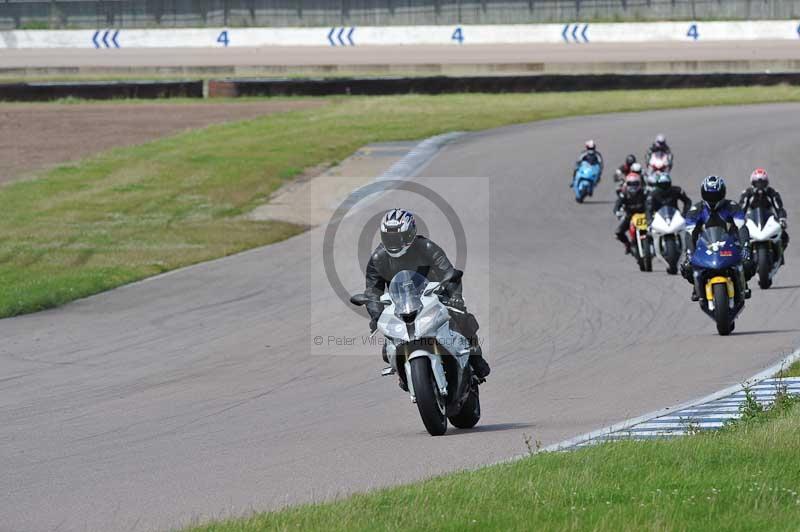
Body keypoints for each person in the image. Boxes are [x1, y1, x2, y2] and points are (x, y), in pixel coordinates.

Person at [364, 209, 490, 381]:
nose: (393, 243)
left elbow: (448, 271)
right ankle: (404, 374)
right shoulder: (378, 258)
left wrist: (455, 297)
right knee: (386, 350)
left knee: (462, 318)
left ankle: (475, 357)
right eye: (389, 238)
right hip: (401, 303)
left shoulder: (426, 247)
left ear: (410, 234)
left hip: (434, 294)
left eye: (398, 237)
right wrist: (376, 314)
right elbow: (372, 291)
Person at [680, 176, 753, 302]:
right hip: (705, 246)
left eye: (715, 195)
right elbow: (689, 234)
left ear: (722, 193)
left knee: (749, 262)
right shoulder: (696, 210)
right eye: (709, 195)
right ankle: (697, 287)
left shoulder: (732, 207)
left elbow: (742, 228)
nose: (712, 199)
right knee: (687, 268)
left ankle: (743, 283)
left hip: (731, 245)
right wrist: (689, 253)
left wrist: (745, 247)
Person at [739, 168, 789, 263]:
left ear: (766, 183)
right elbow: (741, 208)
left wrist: (782, 219)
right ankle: (743, 258)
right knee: (739, 237)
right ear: (752, 183)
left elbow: (779, 208)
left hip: (769, 221)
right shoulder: (747, 194)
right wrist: (738, 221)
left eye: (762, 183)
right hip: (752, 220)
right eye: (757, 183)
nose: (760, 186)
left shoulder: (772, 193)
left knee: (784, 236)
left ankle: (779, 255)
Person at [613, 173, 647, 254]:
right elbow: (617, 204)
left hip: (644, 215)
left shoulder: (644, 192)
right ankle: (627, 244)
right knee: (618, 233)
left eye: (635, 184)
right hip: (630, 216)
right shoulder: (624, 194)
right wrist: (617, 212)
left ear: (639, 184)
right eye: (630, 184)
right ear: (626, 184)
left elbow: (652, 201)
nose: (633, 186)